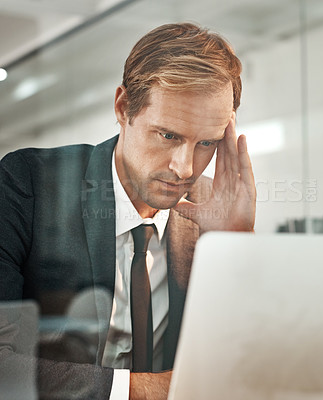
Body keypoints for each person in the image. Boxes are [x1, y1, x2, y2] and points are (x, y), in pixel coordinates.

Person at [0, 22, 256, 399]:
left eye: (207, 142)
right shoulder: (27, 184)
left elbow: (241, 361)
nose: (184, 168)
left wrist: (236, 249)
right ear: (123, 107)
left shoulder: (210, 209)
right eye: (168, 135)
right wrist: (144, 391)